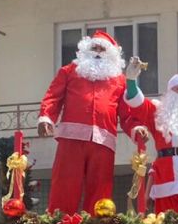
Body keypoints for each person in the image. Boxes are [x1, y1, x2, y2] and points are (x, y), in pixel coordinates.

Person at [38, 31, 133, 213]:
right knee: (65, 183)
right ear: (85, 50)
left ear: (111, 55)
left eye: (102, 49)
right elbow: (53, 97)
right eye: (94, 48)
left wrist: (135, 129)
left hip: (103, 141)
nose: (97, 52)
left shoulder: (120, 81)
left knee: (101, 188)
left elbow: (126, 113)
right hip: (71, 138)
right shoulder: (69, 71)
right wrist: (46, 117)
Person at [124, 61, 178, 214]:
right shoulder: (158, 114)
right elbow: (138, 105)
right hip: (166, 179)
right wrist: (131, 82)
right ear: (170, 92)